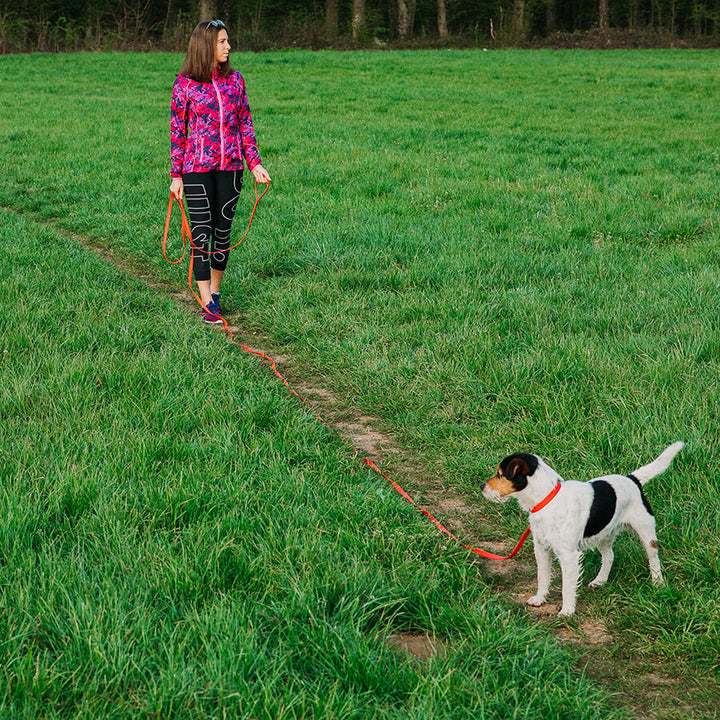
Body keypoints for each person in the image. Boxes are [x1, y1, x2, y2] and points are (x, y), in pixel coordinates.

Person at [170, 20, 271, 324]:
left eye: (227, 41)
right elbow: (178, 132)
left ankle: (215, 292)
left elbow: (245, 125)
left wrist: (254, 164)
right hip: (196, 170)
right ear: (205, 46)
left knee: (222, 235)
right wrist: (176, 176)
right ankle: (205, 301)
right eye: (222, 42)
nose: (228, 47)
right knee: (202, 235)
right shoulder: (184, 84)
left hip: (232, 169)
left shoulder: (235, 81)